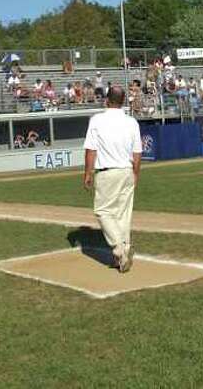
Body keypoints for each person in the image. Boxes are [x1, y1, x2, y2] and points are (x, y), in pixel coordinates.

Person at [81, 86, 143, 273]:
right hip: (127, 171)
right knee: (123, 214)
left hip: (107, 172)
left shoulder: (97, 120)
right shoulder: (131, 122)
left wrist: (88, 173)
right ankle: (124, 251)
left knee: (103, 211)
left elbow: (91, 149)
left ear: (106, 100)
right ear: (123, 101)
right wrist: (135, 174)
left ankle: (119, 248)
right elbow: (137, 152)